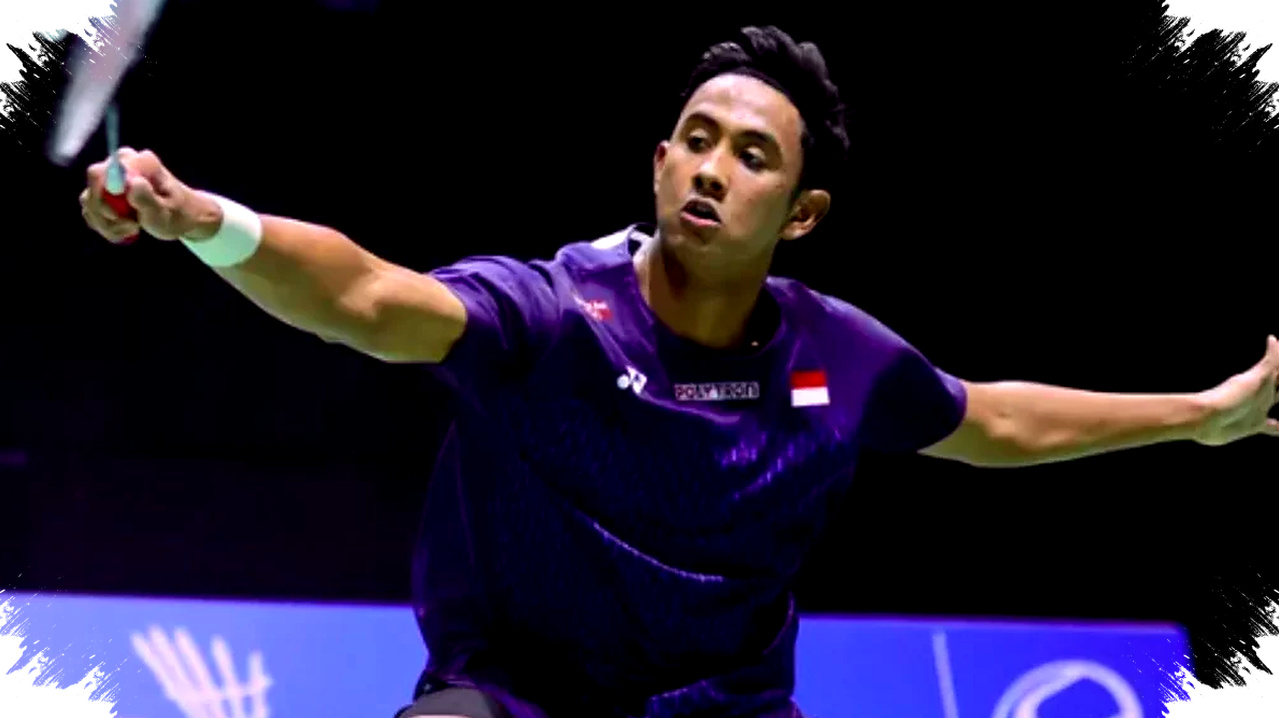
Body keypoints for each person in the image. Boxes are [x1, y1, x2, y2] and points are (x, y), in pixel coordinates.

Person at [78, 24, 1278, 718]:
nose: (712, 168)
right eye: (696, 141)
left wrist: (1199, 417)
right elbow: (367, 297)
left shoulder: (835, 357)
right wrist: (207, 222)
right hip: (514, 697)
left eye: (751, 156)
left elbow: (992, 421)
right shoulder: (554, 315)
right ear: (658, 163)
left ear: (801, 214)